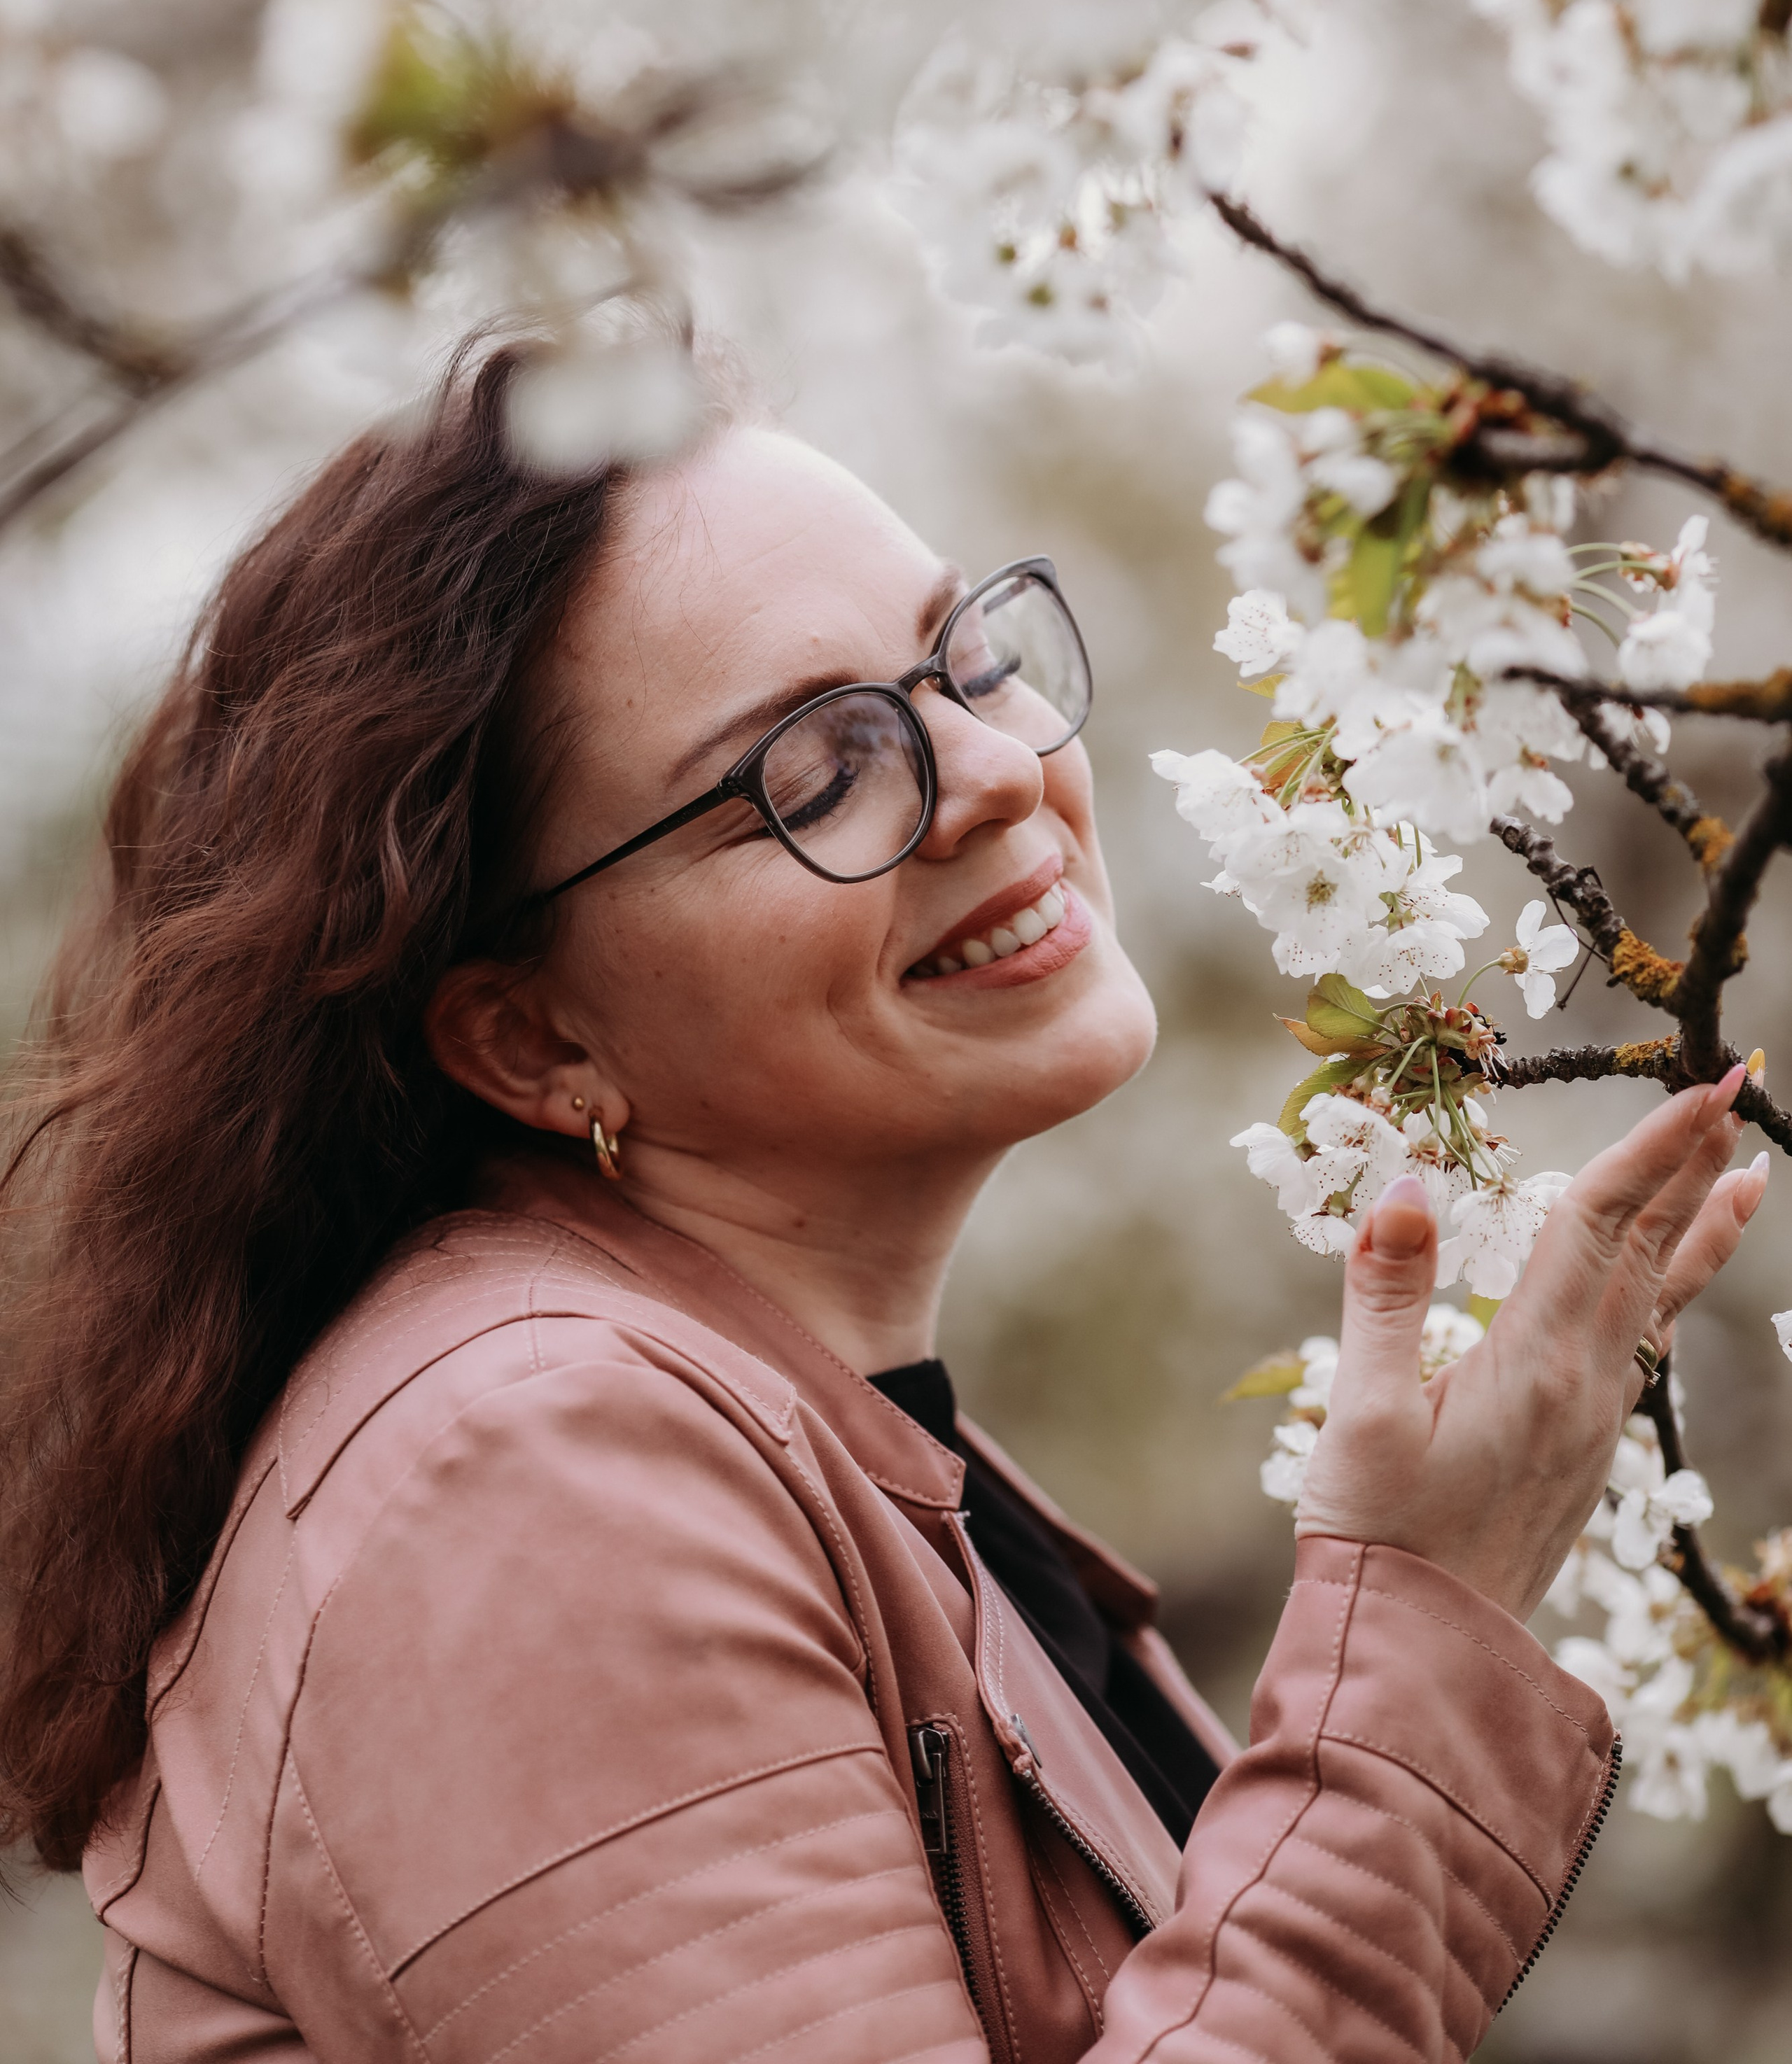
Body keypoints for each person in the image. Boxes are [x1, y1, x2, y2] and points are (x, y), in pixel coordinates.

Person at [0, 344, 1764, 2064]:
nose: (991, 772)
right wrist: (1424, 1621)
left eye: (966, 660)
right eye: (816, 769)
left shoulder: (824, 1443)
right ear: (533, 1038)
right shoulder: (525, 1474)